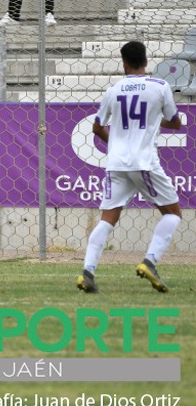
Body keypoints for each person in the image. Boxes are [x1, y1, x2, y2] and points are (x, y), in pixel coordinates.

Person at [77, 41, 182, 294]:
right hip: (143, 161)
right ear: (147, 61)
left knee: (107, 219)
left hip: (116, 163)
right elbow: (176, 123)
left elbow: (97, 127)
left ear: (123, 63)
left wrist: (116, 145)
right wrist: (154, 121)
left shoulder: (113, 91)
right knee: (173, 213)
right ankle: (150, 262)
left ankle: (87, 272)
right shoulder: (160, 87)